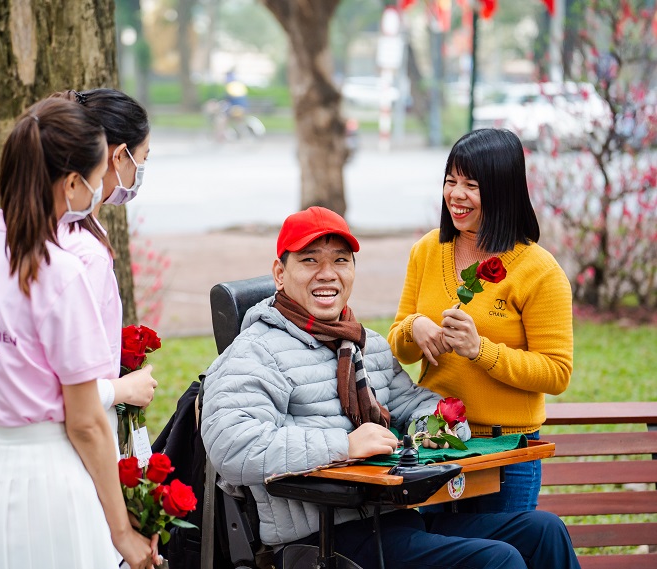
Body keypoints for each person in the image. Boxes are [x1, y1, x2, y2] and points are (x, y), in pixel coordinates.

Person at [200, 206, 580, 569]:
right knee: (498, 561)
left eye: (340, 260)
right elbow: (231, 445)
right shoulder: (254, 352)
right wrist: (344, 447)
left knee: (542, 531)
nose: (327, 273)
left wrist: (434, 428)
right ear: (280, 273)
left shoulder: (367, 345)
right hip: (323, 540)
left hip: (392, 520)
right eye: (310, 260)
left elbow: (415, 403)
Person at [0, 98, 161, 569]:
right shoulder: (59, 272)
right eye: (99, 173)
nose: (102, 185)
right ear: (74, 183)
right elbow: (84, 422)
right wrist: (122, 531)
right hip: (47, 486)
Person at [388, 128, 573, 513]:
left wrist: (481, 351)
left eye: (471, 185)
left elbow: (556, 373)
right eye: (450, 181)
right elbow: (398, 345)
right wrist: (414, 327)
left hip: (506, 452)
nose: (456, 194)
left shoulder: (539, 271)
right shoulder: (427, 249)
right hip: (437, 442)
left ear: (503, 191)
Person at [50, 88, 156, 455]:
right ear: (119, 155)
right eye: (142, 158)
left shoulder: (54, 230)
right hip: (81, 437)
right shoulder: (85, 251)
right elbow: (69, 378)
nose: (141, 171)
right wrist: (124, 389)